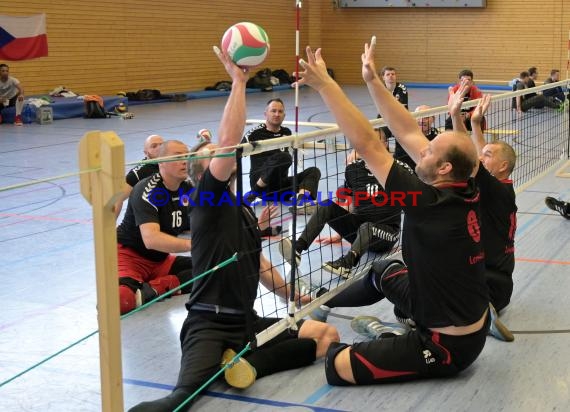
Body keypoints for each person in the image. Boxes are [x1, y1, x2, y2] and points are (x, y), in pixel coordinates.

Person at [128, 46, 339, 412]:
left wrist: (298, 298)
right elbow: (229, 140)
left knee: (326, 335)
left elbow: (258, 267)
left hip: (247, 320)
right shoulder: (206, 200)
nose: (223, 154)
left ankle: (244, 364)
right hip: (207, 323)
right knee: (180, 400)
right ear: (202, 171)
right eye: (213, 156)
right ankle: (229, 361)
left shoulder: (238, 206)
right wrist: (238, 82)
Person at [295, 37, 489, 386]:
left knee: (336, 366)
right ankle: (319, 304)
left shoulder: (426, 202)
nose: (421, 151)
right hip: (456, 311)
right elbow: (408, 130)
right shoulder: (466, 182)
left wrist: (326, 84)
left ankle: (388, 337)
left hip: (447, 345)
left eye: (429, 152)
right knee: (384, 269)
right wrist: (372, 82)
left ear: (444, 168)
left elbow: (368, 143)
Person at [449, 88, 518, 342]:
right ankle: (480, 314)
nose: (481, 157)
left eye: (488, 156)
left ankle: (481, 316)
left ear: (502, 166)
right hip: (496, 284)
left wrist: (457, 116)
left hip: (488, 286)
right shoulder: (502, 187)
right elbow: (479, 153)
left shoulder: (496, 190)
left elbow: (468, 155)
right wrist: (475, 123)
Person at [279, 137, 402, 278]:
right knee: (327, 205)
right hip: (362, 232)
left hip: (387, 235)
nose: (370, 144)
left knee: (367, 227)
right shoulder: (354, 169)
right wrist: (340, 233)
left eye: (376, 139)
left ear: (385, 143)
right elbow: (349, 202)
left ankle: (347, 264)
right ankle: (298, 248)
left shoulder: (396, 168)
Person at [116, 139, 194, 315]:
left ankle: (153, 288)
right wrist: (192, 244)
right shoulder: (147, 189)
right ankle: (148, 287)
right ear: (161, 162)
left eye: (187, 156)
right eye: (178, 156)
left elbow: (215, 215)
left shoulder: (189, 189)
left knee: (217, 268)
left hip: (160, 261)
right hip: (130, 257)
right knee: (122, 300)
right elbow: (152, 240)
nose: (185, 161)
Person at [242, 98, 322, 214]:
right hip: (262, 188)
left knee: (313, 171)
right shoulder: (254, 133)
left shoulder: (286, 132)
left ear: (284, 115)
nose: (277, 114)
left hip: (281, 189)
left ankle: (301, 205)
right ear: (266, 114)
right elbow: (238, 152)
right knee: (284, 157)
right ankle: (253, 193)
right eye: (273, 111)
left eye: (280, 111)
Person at [114, 134, 164, 219]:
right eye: (154, 146)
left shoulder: (172, 164)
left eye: (162, 145)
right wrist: (109, 227)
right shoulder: (139, 172)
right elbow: (118, 198)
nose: (159, 148)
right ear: (146, 153)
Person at [395, 105, 438, 170]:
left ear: (433, 119)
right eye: (419, 116)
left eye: (426, 117)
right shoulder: (404, 137)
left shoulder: (437, 138)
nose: (422, 120)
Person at [376, 66, 408, 146]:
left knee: (402, 137)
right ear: (383, 77)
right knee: (378, 136)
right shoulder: (379, 89)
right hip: (384, 119)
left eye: (393, 74)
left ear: (395, 76)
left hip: (400, 119)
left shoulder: (402, 88)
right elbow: (381, 109)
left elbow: (402, 108)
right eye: (388, 74)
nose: (391, 76)